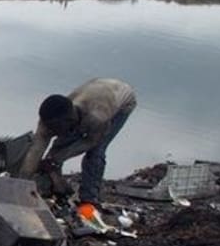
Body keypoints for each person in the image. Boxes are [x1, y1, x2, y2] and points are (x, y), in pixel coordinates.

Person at [19, 78, 137, 212]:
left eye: (55, 128)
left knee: (96, 153)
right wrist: (22, 183)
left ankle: (89, 199)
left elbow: (91, 142)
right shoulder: (48, 120)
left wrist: (58, 158)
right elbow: (35, 150)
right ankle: (53, 189)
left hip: (121, 101)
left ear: (69, 120)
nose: (52, 132)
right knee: (58, 147)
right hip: (97, 88)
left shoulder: (98, 117)